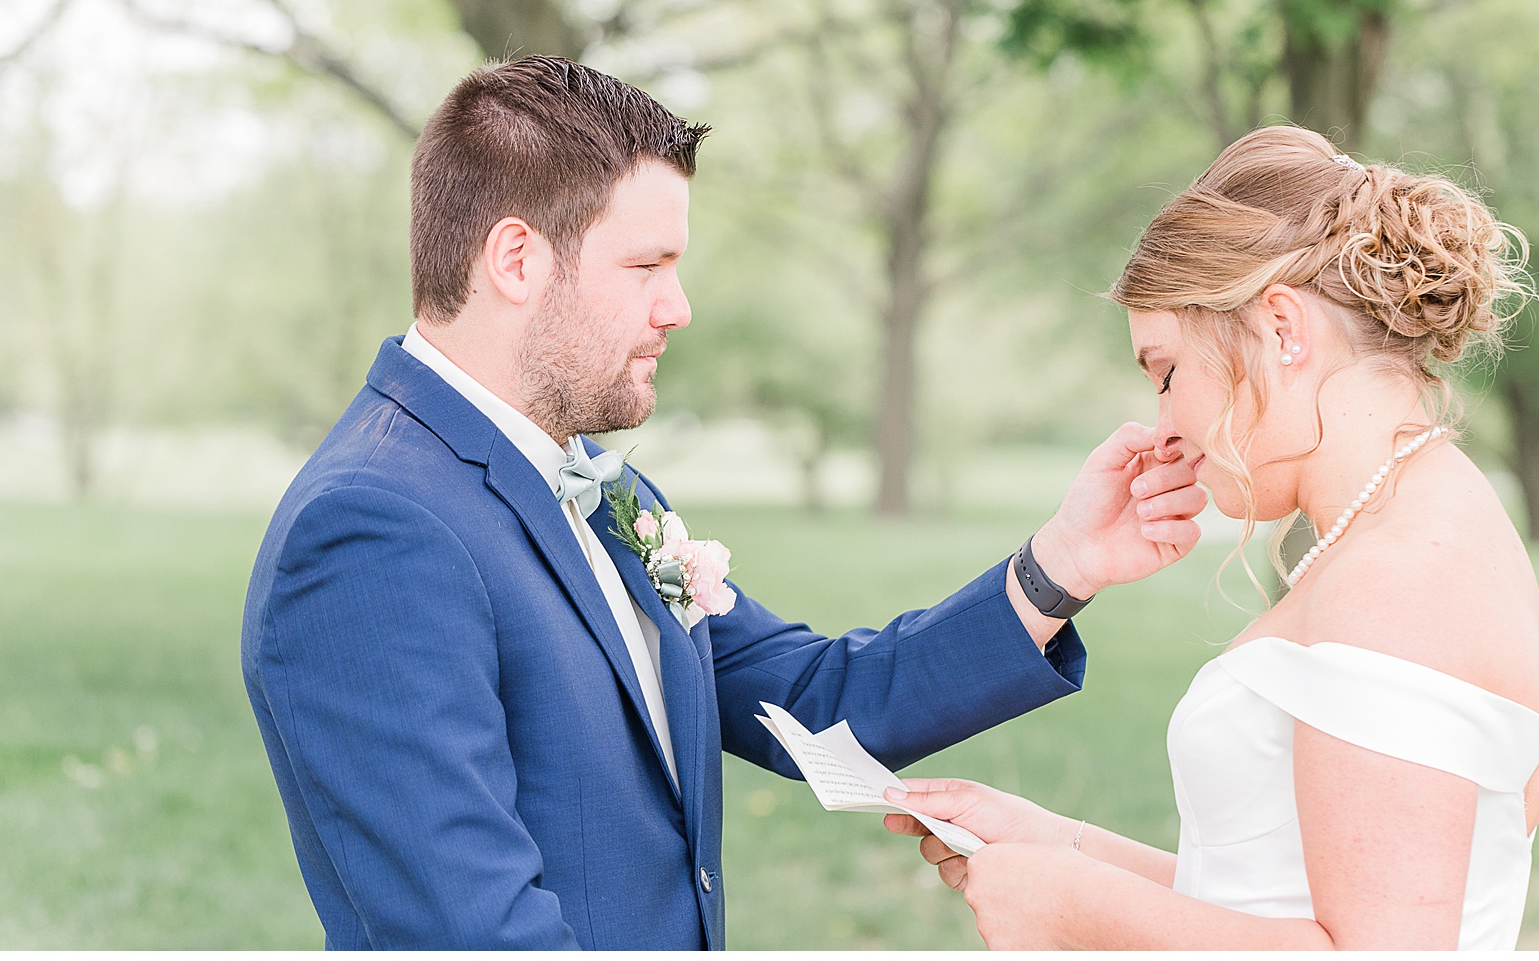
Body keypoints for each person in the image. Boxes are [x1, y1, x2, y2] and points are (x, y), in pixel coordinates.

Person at [239, 56, 1207, 950]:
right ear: (517, 260)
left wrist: (1062, 564)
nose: (679, 307)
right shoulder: (372, 531)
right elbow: (474, 934)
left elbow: (815, 702)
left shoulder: (599, 484)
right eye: (645, 267)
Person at [883, 126, 1539, 950]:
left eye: (1167, 372)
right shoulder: (1423, 525)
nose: (1164, 428)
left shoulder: (1399, 580)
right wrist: (1061, 847)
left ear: (1281, 328)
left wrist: (1077, 912)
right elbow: (1285, 899)